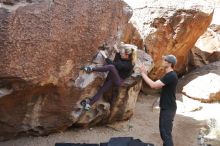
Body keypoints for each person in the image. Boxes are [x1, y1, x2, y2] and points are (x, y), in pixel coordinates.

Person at [80, 44, 137, 110]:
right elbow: (121, 59)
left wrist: (104, 55)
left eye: (122, 53)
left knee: (111, 67)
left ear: (127, 55)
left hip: (118, 80)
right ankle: (88, 105)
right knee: (101, 91)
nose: (121, 54)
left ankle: (90, 69)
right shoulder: (128, 59)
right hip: (115, 77)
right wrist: (117, 50)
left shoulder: (127, 64)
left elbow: (113, 64)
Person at [140, 54, 178, 146]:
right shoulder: (169, 75)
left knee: (166, 134)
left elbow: (153, 85)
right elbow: (156, 84)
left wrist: (143, 74)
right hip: (167, 107)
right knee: (164, 133)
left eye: (164, 60)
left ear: (169, 63)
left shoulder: (171, 76)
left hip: (168, 108)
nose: (162, 61)